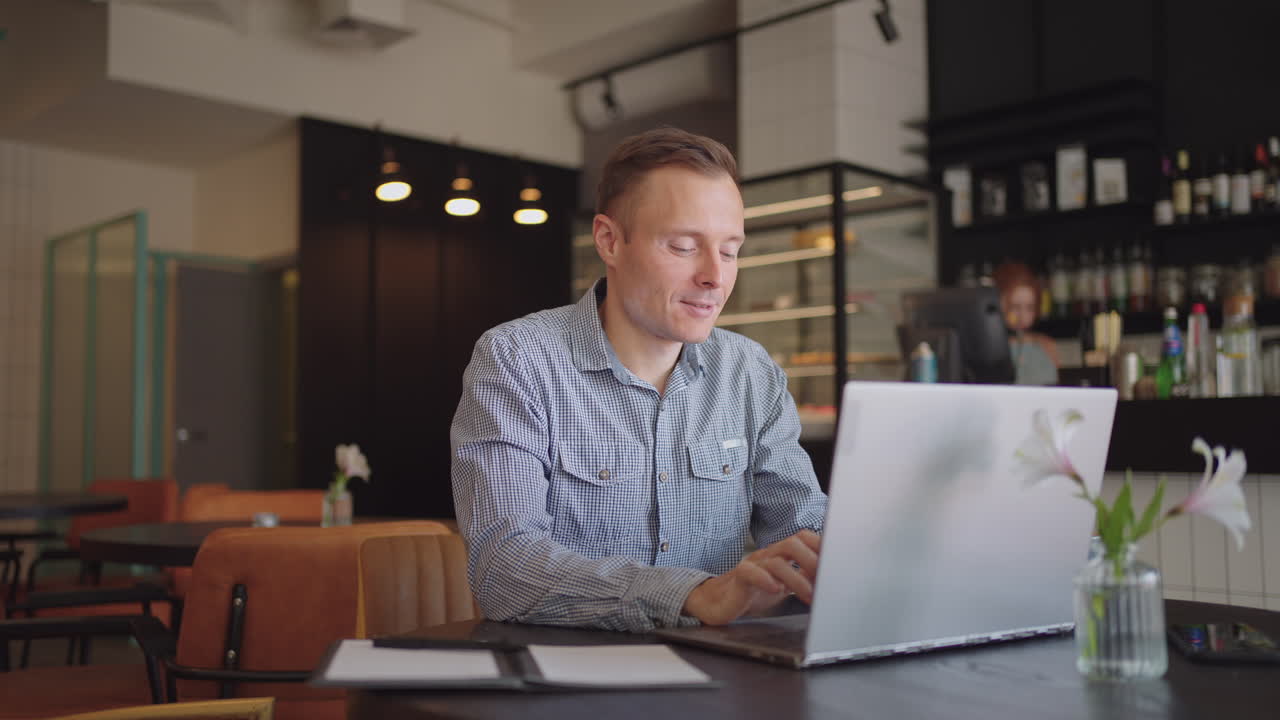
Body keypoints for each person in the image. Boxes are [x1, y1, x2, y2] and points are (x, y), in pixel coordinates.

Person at [450, 127, 827, 632]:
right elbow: (504, 567)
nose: (715, 276)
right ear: (609, 240)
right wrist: (693, 595)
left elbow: (806, 528)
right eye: (683, 246)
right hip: (573, 685)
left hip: (725, 678)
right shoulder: (518, 361)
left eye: (731, 250)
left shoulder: (750, 372)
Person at [993, 261, 1059, 385]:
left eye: (1029, 307)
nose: (1022, 316)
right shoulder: (991, 348)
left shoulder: (1047, 345)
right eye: (1015, 307)